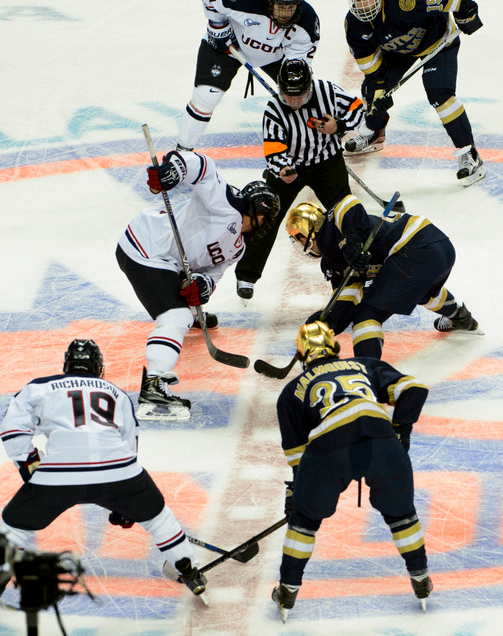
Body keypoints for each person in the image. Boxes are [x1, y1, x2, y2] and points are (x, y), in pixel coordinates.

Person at [0, 339, 207, 622]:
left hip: (58, 475)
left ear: (66, 365)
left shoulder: (38, 387)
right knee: (159, 519)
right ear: (99, 368)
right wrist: (125, 504)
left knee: (14, 526)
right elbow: (129, 448)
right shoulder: (117, 393)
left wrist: (32, 468)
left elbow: (12, 432)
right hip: (120, 474)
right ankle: (189, 569)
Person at [271, 321, 432, 622]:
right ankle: (421, 578)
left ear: (302, 354)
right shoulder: (365, 365)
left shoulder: (291, 391)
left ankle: (288, 589)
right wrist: (401, 427)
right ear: (335, 347)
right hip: (380, 437)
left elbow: (297, 457)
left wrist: (298, 494)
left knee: (305, 521)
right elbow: (415, 389)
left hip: (328, 448)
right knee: (401, 515)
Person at [116, 149, 280, 419]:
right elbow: (203, 166)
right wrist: (175, 170)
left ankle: (187, 314)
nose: (266, 223)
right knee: (176, 316)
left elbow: (213, 274)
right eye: (266, 216)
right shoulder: (225, 202)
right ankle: (154, 383)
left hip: (167, 261)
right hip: (146, 248)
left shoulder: (238, 248)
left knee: (187, 306)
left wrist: (203, 286)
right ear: (257, 208)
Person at [284, 194, 480, 359]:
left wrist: (351, 240)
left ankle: (369, 377)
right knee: (424, 292)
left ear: (305, 233)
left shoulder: (329, 229)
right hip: (439, 247)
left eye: (298, 238)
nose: (301, 246)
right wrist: (330, 321)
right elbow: (348, 294)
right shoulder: (331, 261)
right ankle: (461, 317)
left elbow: (348, 202)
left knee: (366, 316)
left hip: (413, 249)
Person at [342, 0, 487, 187]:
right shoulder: (353, 25)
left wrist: (467, 14)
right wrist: (380, 89)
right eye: (357, 0)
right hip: (400, 52)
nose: (363, 6)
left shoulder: (404, 1)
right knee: (372, 94)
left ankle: (470, 154)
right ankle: (374, 132)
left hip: (438, 42)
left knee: (440, 96)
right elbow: (372, 67)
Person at [233, 58, 364, 300]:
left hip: (327, 164)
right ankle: (247, 275)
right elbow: (272, 147)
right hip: (290, 168)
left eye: (299, 95)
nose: (293, 101)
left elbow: (358, 109)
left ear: (309, 87)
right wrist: (283, 168)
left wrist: (339, 126)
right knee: (265, 215)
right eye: (287, 94)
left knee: (347, 214)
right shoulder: (274, 108)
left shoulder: (328, 91)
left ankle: (361, 264)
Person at [176, 0, 320, 152]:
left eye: (290, 7)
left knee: (300, 97)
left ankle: (308, 150)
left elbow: (300, 59)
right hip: (229, 45)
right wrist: (218, 26)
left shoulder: (307, 22)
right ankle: (182, 153)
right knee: (206, 97)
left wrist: (293, 84)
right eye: (280, 6)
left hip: (275, 56)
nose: (285, 14)